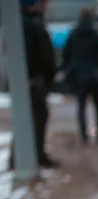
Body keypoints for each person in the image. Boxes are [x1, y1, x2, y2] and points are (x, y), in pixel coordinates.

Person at [15, 0, 57, 168]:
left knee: (35, 116)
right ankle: (32, 155)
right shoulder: (28, 24)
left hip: (36, 79)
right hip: (33, 80)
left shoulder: (32, 22)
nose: (45, 6)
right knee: (35, 117)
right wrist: (33, 77)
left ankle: (33, 154)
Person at [63, 7, 98, 145]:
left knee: (81, 107)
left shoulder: (73, 34)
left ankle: (84, 136)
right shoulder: (96, 35)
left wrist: (68, 70)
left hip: (79, 76)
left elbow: (66, 55)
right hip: (95, 76)